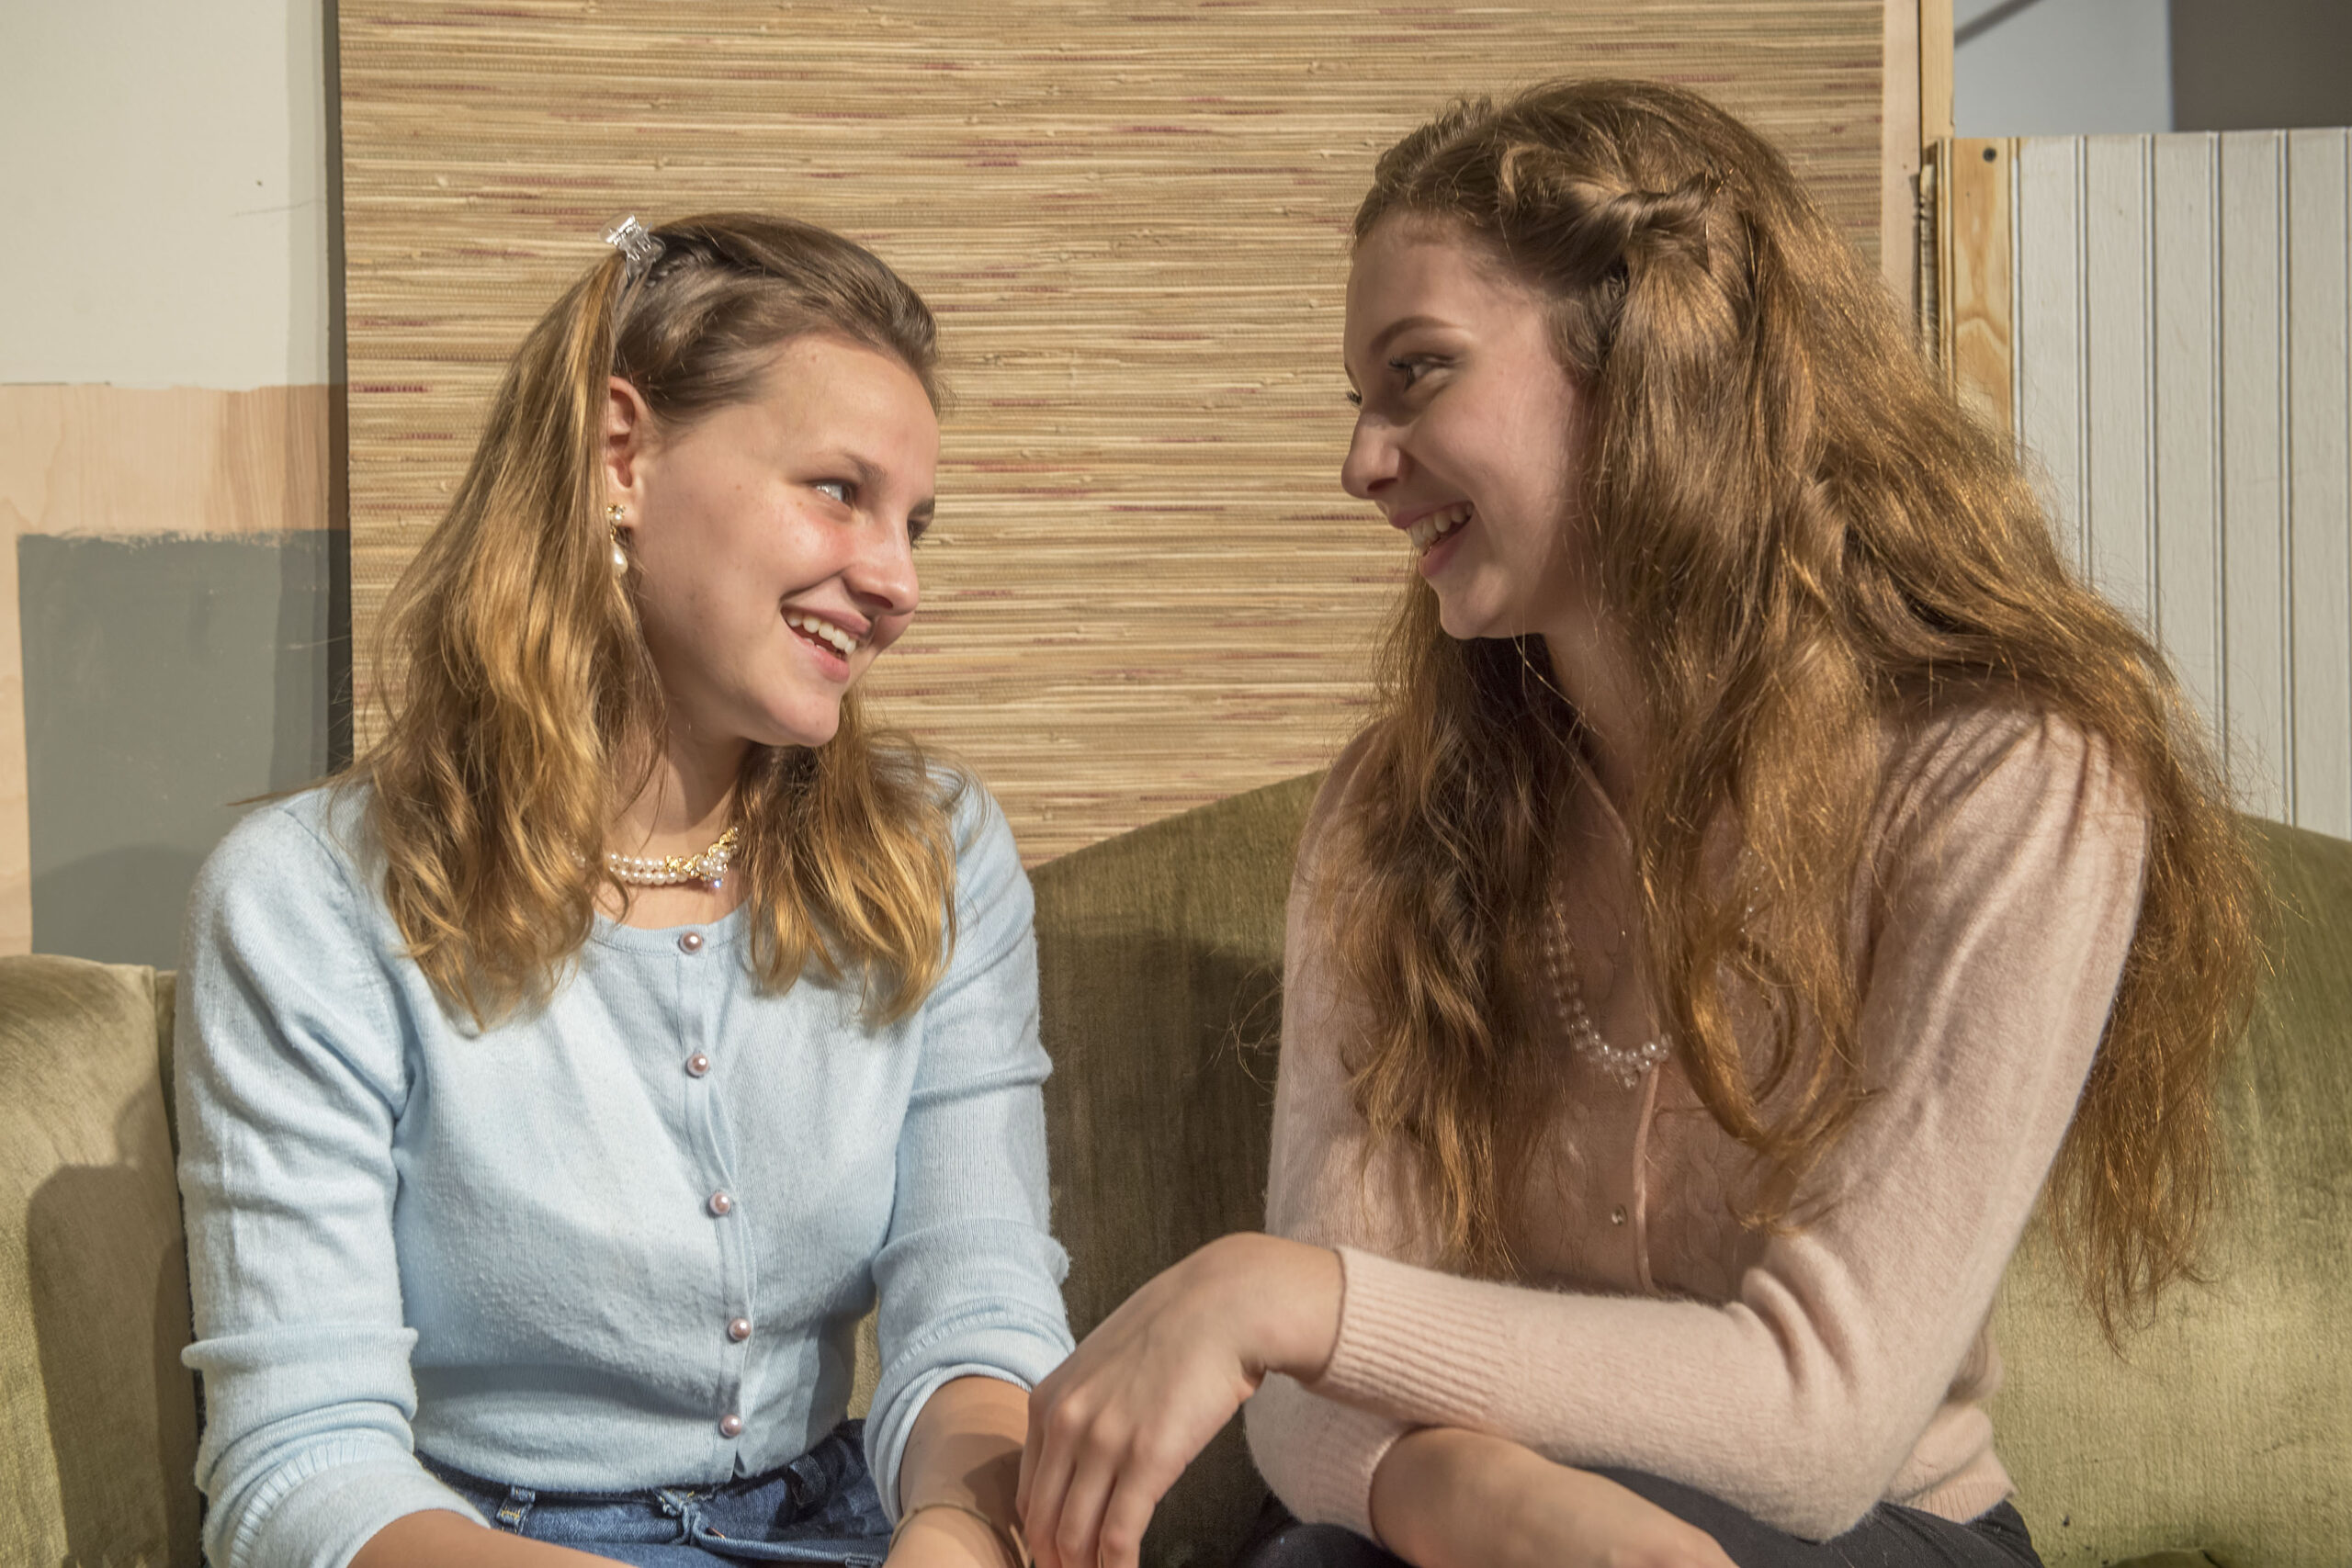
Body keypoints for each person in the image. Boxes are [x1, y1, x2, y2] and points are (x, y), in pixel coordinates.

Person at [1014, 79, 2259, 1568]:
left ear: (1651, 363)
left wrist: (1293, 1298)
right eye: (1359, 399)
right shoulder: (1393, 813)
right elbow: (1299, 1418)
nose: (1361, 462)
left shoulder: (2012, 782)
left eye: (1417, 374)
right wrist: (1469, 1497)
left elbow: (1821, 1423)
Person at [175, 213, 1072, 1568]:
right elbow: (300, 1465)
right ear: (620, 456)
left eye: (915, 523)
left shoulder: (935, 852)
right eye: (839, 490)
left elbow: (979, 1303)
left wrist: (957, 1531)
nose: (898, 582)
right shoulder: (306, 901)